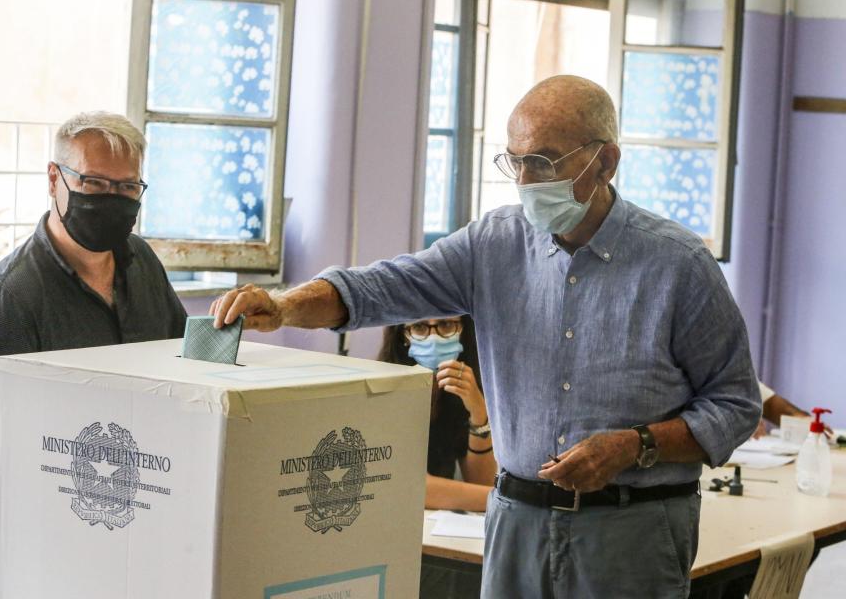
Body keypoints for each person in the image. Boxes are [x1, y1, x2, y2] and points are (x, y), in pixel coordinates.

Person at [210, 75, 761, 598]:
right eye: (514, 161)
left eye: (543, 161)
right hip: (516, 521)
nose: (524, 180)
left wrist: (633, 445)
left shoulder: (677, 265)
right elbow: (381, 287)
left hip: (631, 530)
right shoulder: (494, 243)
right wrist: (283, 306)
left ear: (606, 161)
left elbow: (735, 405)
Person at [0, 111, 187, 560]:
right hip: (34, 530)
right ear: (54, 179)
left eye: (127, 187)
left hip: (138, 514)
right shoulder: (10, 295)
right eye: (95, 183)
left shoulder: (143, 262)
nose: (112, 199)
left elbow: (180, 361)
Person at [378, 316, 496, 512]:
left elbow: (480, 481)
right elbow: (413, 487)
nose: (434, 339)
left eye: (446, 324)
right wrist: (507, 503)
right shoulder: (385, 392)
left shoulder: (460, 389)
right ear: (403, 335)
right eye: (419, 326)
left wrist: (479, 411)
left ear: (463, 330)